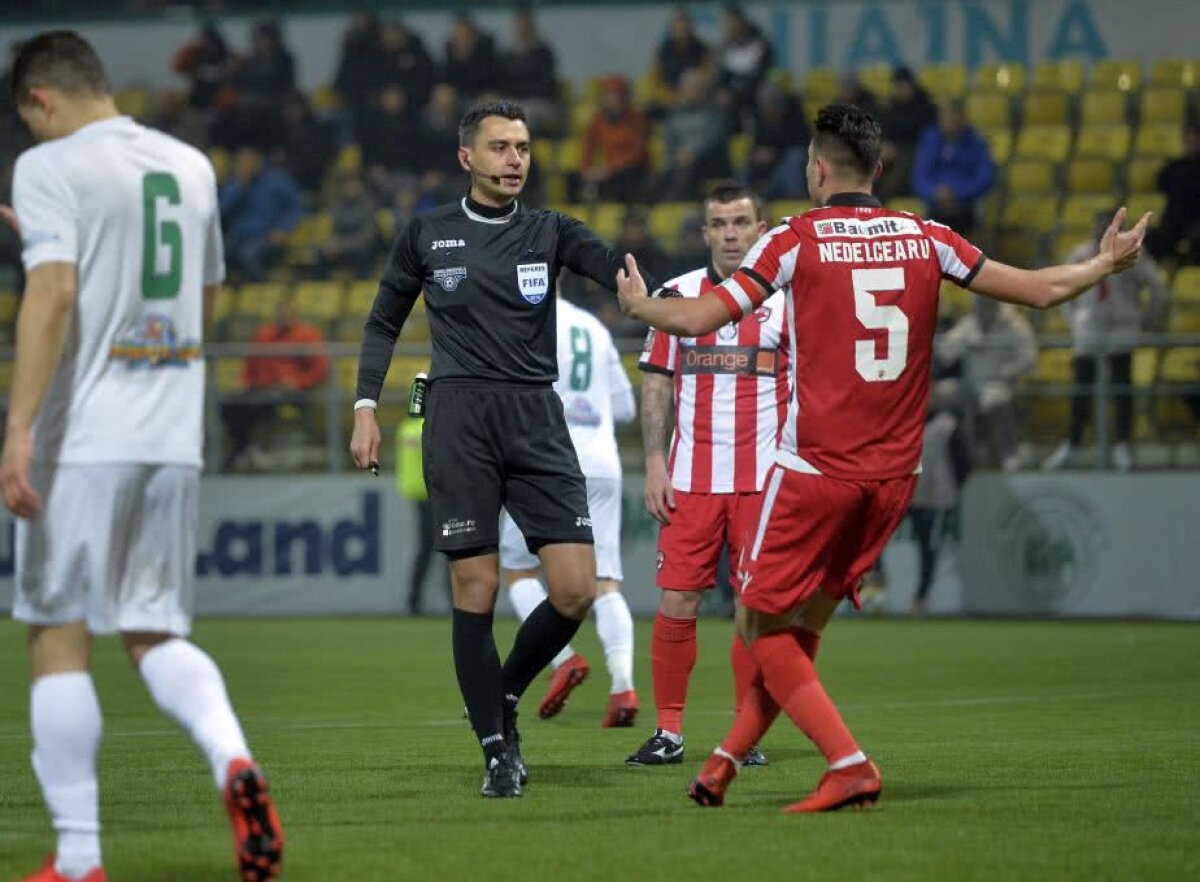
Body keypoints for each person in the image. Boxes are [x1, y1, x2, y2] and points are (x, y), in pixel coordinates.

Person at [614, 103, 1150, 812]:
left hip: (816, 474)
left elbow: (697, 318)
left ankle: (848, 764)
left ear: (817, 169)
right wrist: (1105, 261)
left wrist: (638, 306)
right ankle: (722, 763)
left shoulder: (796, 240)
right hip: (895, 480)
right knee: (800, 630)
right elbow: (1042, 291)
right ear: (881, 169)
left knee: (758, 624)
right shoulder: (928, 237)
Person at [0, 31, 283, 882]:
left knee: (57, 636)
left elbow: (52, 297)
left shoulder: (48, 168)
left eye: (29, 123)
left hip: (84, 439)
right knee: (154, 629)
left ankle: (81, 856)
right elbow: (200, 296)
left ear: (41, 101)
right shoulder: (190, 166)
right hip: (171, 437)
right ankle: (233, 758)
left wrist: (17, 428)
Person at [349, 100, 662, 798]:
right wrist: (366, 406)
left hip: (535, 416)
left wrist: (644, 291)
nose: (514, 158)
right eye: (499, 147)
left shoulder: (550, 231)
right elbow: (381, 323)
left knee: (577, 588)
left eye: (522, 146)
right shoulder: (427, 234)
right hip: (460, 416)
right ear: (468, 157)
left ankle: (505, 696)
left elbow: (610, 264)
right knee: (479, 587)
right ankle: (496, 748)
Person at [625, 182, 788, 769]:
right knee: (676, 602)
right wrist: (651, 462)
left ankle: (746, 734)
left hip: (765, 484)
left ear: (760, 227)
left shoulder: (789, 299)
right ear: (704, 232)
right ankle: (669, 732)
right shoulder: (676, 295)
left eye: (741, 222)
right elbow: (656, 382)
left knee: (757, 610)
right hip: (691, 480)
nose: (729, 233)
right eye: (718, 223)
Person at [500, 291, 638, 727]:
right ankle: (623, 687)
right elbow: (625, 408)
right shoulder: (594, 327)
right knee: (606, 582)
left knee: (520, 573)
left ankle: (562, 658)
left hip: (549, 463)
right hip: (602, 462)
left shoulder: (523, 322)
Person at [1044, 210, 1170, 472]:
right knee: (1082, 389)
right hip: (1089, 330)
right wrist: (1074, 320)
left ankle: (1122, 446)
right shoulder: (1080, 254)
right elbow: (1060, 287)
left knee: (1122, 389)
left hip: (1121, 329)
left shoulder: (1133, 252)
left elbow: (1157, 286)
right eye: (1100, 225)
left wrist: (1147, 320)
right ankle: (1073, 444)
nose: (1103, 229)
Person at [220, 296, 330, 471]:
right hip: (260, 390)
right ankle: (244, 448)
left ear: (295, 314)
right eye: (280, 312)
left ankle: (245, 453)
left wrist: (297, 383)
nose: (283, 316)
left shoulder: (307, 335)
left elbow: (320, 370)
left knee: (259, 404)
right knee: (228, 404)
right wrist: (245, 383)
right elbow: (250, 365)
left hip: (294, 393)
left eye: (287, 312)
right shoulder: (264, 334)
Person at [936, 295, 1037, 471]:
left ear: (994, 308)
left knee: (993, 398)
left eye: (984, 308)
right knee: (941, 393)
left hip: (1001, 382)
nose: (981, 312)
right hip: (970, 385)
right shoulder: (970, 323)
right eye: (978, 308)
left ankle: (1009, 454)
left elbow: (1029, 358)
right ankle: (948, 455)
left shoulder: (1013, 325)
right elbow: (945, 352)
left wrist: (1006, 372)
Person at [219, 145, 304, 281]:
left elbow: (297, 207)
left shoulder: (277, 181)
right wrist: (240, 188)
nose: (245, 164)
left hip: (266, 237)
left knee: (248, 255)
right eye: (241, 162)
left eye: (248, 160)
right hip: (238, 237)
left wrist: (284, 229)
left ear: (257, 160)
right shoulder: (236, 183)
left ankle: (259, 293)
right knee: (216, 254)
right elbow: (223, 211)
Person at [912, 99, 994, 236]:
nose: (949, 121)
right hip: (935, 205)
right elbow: (920, 176)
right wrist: (935, 192)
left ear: (962, 118)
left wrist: (956, 193)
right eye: (944, 116)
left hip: (965, 205)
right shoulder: (930, 139)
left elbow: (985, 178)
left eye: (953, 116)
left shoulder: (977, 142)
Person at [396, 414, 448, 615]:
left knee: (425, 549)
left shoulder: (406, 428)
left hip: (417, 493)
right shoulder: (433, 428)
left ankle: (413, 601)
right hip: (436, 493)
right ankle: (456, 602)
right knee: (449, 548)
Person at [1145, 123, 1200, 266]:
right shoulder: (1174, 166)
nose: (1191, 143)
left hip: (1196, 220)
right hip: (1174, 221)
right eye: (1188, 140)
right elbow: (1161, 183)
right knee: (1150, 239)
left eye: (1195, 139)